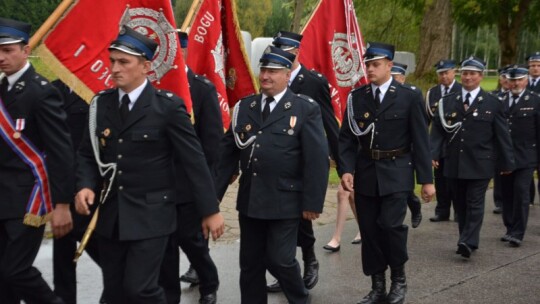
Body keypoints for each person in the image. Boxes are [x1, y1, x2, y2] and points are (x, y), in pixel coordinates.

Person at [74, 26, 224, 303]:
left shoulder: (168, 107)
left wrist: (210, 209)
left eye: (124, 62)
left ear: (145, 66)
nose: (115, 68)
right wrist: (84, 184)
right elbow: (87, 153)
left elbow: (194, 161)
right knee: (115, 293)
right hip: (112, 217)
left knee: (141, 289)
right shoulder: (101, 104)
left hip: (152, 217)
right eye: (112, 61)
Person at [214, 45, 329, 304]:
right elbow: (225, 158)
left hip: (285, 201)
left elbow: (316, 160)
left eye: (273, 71)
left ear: (287, 74)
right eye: (263, 69)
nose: (265, 75)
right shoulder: (245, 107)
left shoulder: (304, 109)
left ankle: (300, 299)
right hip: (251, 200)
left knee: (280, 259)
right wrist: (211, 202)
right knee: (250, 265)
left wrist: (312, 202)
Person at [339, 42, 435, 304]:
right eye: (367, 64)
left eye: (376, 64)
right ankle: (377, 285)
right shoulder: (356, 98)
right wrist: (346, 169)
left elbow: (420, 140)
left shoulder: (409, 96)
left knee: (391, 227)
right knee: (369, 231)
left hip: (397, 171)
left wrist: (426, 181)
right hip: (367, 172)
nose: (370, 69)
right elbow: (346, 139)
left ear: (389, 66)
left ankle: (399, 281)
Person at [0, 17, 73, 303]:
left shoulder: (41, 91)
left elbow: (60, 150)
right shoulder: (2, 89)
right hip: (3, 198)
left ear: (25, 50)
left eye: (8, 50)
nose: (2, 57)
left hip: (29, 198)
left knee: (16, 270)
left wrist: (62, 204)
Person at [265, 30, 340, 291]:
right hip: (277, 166)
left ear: (295, 52)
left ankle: (309, 262)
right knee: (280, 223)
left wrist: (344, 165)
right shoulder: (271, 77)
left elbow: (329, 123)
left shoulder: (313, 82)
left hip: (302, 164)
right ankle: (286, 271)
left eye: (284, 49)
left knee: (302, 221)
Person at [430, 56, 515, 259]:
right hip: (454, 162)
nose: (468, 77)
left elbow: (502, 136)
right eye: (465, 73)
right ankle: (465, 238)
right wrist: (433, 153)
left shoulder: (493, 103)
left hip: (480, 163)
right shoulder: (448, 102)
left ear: (480, 76)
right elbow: (438, 132)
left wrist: (507, 162)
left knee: (475, 202)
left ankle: (468, 241)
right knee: (460, 204)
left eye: (473, 74)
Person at [159, 30, 222, 304]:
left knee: (192, 241)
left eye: (177, 50)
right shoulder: (154, 87)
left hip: (189, 184)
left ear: (184, 52)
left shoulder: (201, 88)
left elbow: (211, 146)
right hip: (159, 184)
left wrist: (206, 192)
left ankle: (209, 282)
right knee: (165, 246)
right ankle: (168, 294)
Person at [51, 80, 104, 304]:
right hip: (58, 180)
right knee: (62, 244)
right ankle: (64, 298)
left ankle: (117, 283)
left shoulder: (97, 90)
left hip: (88, 182)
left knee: (93, 238)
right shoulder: (52, 89)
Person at [498, 64, 540, 247]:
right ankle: (509, 227)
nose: (515, 83)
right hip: (505, 157)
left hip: (526, 156)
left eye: (519, 79)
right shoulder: (499, 100)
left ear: (526, 80)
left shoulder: (535, 101)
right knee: (506, 193)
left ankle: (518, 232)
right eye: (512, 79)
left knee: (521, 192)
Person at [426, 59, 462, 223]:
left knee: (455, 179)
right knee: (439, 178)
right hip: (437, 143)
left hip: (456, 143)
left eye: (447, 72)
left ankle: (459, 210)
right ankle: (442, 210)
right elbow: (427, 120)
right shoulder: (432, 93)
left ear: (454, 72)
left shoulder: (461, 90)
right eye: (441, 73)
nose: (444, 76)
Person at [390, 62, 423, 229]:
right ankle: (412, 203)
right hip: (391, 151)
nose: (394, 81)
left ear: (403, 78)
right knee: (400, 190)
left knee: (404, 187)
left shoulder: (412, 95)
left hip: (407, 151)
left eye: (396, 77)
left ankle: (414, 206)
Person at [491, 66, 511, 214]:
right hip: (497, 143)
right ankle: (499, 201)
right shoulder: (493, 96)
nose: (505, 80)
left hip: (520, 143)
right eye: (503, 77)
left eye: (508, 77)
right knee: (499, 173)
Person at [526, 52, 540, 206]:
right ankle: (528, 199)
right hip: (527, 132)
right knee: (526, 170)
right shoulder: (522, 82)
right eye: (533, 66)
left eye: (538, 65)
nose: (535, 68)